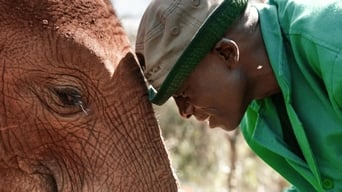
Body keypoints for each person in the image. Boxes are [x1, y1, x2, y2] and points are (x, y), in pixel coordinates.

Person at [135, 0, 342, 191]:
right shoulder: (258, 126)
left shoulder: (331, 46)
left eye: (182, 93)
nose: (184, 112)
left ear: (226, 53)